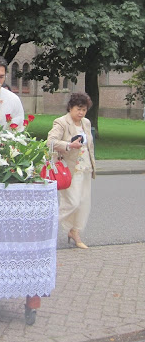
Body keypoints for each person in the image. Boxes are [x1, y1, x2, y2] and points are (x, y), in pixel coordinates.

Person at [47, 92, 96, 249]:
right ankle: (47, 226)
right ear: (70, 108)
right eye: (78, 109)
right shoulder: (61, 122)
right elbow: (51, 142)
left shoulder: (86, 123)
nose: (81, 113)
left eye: (84, 109)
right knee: (72, 202)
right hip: (68, 168)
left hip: (85, 167)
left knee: (83, 203)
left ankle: (75, 232)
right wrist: (69, 145)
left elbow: (90, 145)